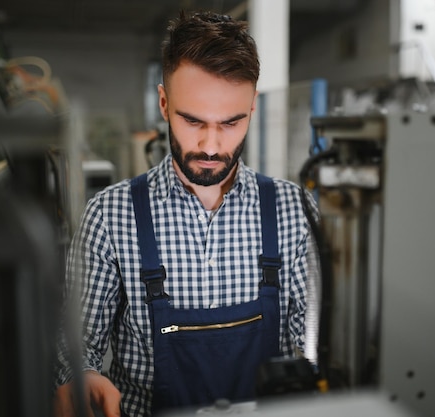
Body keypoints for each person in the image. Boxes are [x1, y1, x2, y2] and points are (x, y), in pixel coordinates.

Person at [53, 10, 319, 417]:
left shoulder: (294, 211)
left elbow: (315, 345)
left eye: (230, 123)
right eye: (193, 120)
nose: (211, 146)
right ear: (163, 103)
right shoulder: (109, 217)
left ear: (251, 110)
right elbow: (72, 349)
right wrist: (79, 377)